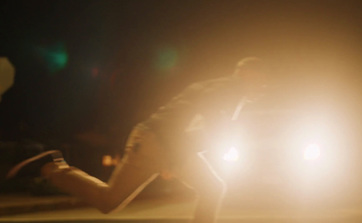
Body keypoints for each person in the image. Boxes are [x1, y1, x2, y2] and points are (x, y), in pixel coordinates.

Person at [7, 57, 268, 223]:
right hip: (156, 142)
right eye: (263, 80)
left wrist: (176, 159)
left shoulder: (223, 89)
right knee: (108, 201)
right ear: (249, 75)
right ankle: (52, 166)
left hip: (167, 145)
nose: (263, 87)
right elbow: (201, 118)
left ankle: (53, 166)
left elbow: (191, 120)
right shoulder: (230, 90)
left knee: (213, 188)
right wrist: (179, 153)